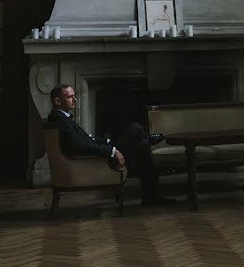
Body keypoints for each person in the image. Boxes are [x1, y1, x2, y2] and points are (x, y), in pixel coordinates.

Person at [46, 84, 174, 205]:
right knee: (135, 128)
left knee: (142, 144)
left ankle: (151, 197)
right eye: (70, 97)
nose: (75, 100)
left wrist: (106, 142)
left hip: (97, 154)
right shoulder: (60, 120)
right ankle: (152, 196)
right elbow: (78, 145)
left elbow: (84, 140)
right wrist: (112, 151)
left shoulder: (61, 118)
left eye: (74, 96)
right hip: (96, 160)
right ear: (57, 101)